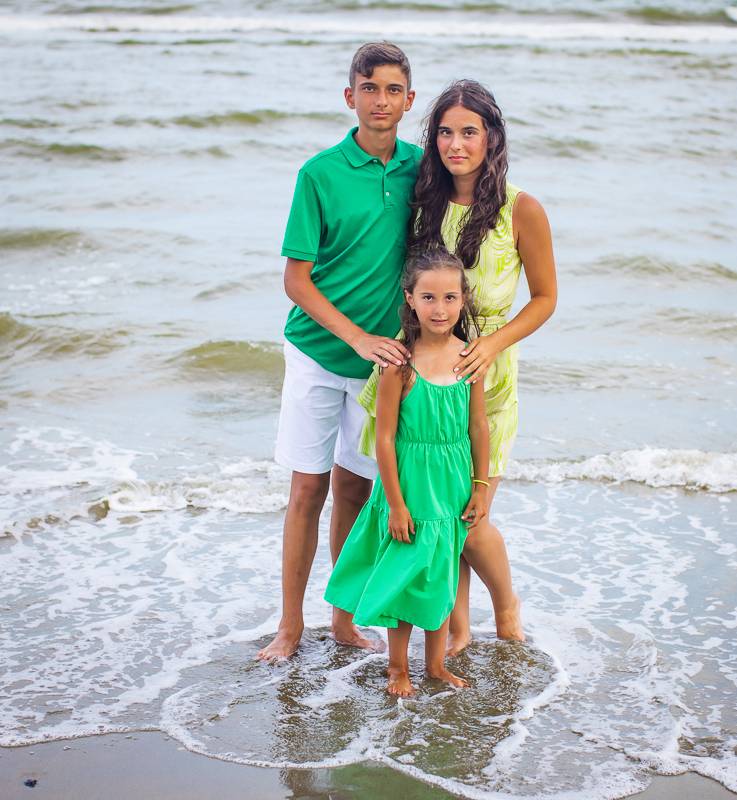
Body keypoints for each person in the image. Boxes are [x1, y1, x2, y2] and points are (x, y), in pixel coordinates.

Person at [358, 79, 558, 656]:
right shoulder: (422, 199)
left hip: (484, 379)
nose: (455, 143)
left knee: (471, 516)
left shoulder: (522, 209)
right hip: (416, 376)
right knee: (431, 514)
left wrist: (492, 344)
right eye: (444, 131)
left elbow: (544, 298)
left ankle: (506, 604)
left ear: (491, 136)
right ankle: (456, 627)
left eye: (469, 131)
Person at [257, 42, 421, 662]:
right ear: (349, 96)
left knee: (355, 491)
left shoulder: (420, 169)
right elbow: (296, 279)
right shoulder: (319, 173)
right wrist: (355, 337)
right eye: (369, 88)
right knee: (307, 489)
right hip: (319, 355)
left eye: (393, 89)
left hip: (386, 366)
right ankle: (290, 626)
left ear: (410, 100)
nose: (381, 101)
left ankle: (343, 618)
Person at [325, 250, 490, 697]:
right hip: (410, 488)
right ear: (410, 299)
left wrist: (481, 486)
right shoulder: (400, 363)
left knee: (441, 576)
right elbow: (383, 438)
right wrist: (395, 505)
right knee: (403, 577)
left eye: (450, 297)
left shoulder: (471, 359)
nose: (440, 308)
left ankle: (434, 666)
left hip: (452, 485)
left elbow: (478, 426)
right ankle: (398, 667)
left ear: (463, 299)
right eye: (429, 297)